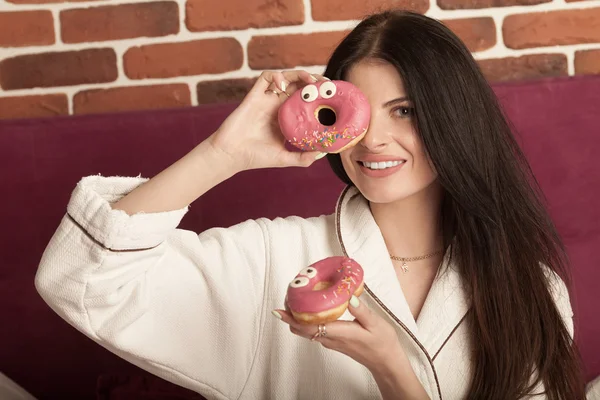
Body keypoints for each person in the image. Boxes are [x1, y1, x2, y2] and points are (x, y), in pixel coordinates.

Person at [34, 10, 585, 400]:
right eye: (362, 115)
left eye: (407, 112)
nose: (374, 141)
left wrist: (392, 372)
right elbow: (82, 281)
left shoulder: (528, 286)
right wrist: (223, 153)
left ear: (454, 119)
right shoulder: (274, 258)